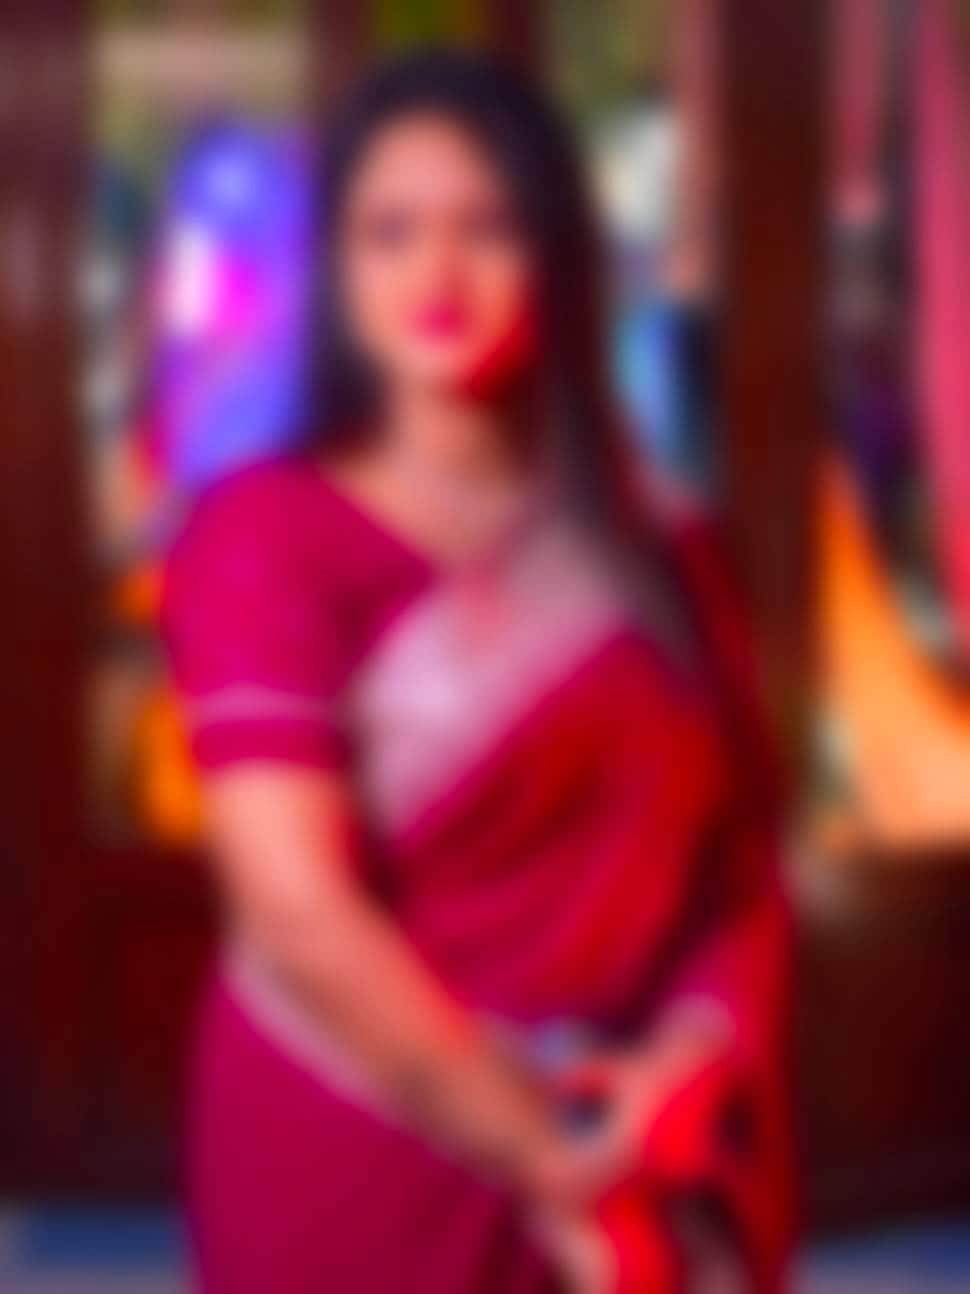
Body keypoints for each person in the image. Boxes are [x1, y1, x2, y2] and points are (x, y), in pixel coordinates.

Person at [161, 48, 794, 1294]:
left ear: (558, 255)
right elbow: (295, 913)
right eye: (389, 233)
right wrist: (550, 1159)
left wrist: (690, 1052)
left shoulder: (662, 547)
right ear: (338, 271)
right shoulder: (263, 535)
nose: (436, 274)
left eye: (488, 228)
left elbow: (739, 861)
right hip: (365, 1135)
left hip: (639, 1122)